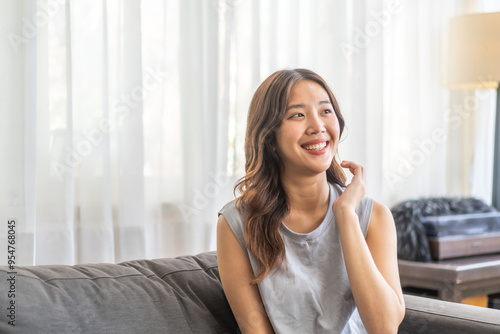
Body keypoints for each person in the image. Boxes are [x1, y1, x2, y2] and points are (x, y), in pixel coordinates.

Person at [217, 68, 405, 333]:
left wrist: (345, 216)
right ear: (269, 138)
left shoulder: (373, 217)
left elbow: (384, 327)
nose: (318, 126)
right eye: (298, 115)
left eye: (325, 111)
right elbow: (255, 328)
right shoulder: (236, 224)